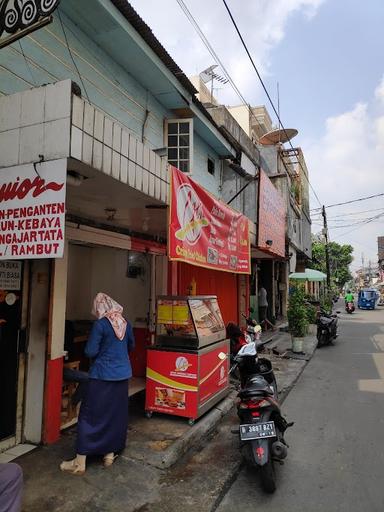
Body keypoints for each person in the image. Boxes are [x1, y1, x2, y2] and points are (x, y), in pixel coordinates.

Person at [60, 293, 135, 475]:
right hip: (122, 376)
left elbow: (90, 351)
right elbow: (131, 347)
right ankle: (109, 454)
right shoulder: (125, 323)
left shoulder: (100, 324)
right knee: (113, 415)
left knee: (89, 414)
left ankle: (80, 462)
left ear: (100, 307)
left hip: (102, 376)